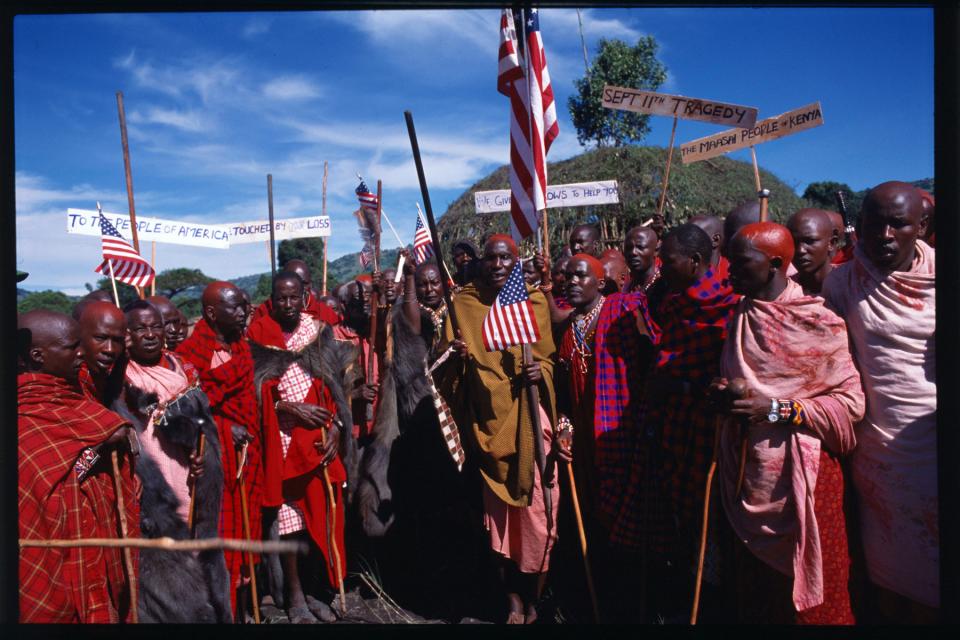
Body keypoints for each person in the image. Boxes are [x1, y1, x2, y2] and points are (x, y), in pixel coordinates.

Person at [713, 222, 863, 624]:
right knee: (759, 597)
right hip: (748, 474)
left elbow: (848, 405)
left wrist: (777, 409)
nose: (729, 272)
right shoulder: (740, 316)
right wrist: (724, 394)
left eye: (740, 264)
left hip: (806, 483)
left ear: (776, 264)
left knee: (814, 601)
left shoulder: (819, 321)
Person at [437, 234, 570, 624]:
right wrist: (455, 357)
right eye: (490, 258)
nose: (497, 265)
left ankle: (535, 601)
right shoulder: (463, 304)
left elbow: (547, 360)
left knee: (542, 516)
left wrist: (538, 371)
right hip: (488, 425)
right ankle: (512, 600)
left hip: (530, 419)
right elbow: (444, 371)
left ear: (516, 262)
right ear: (480, 263)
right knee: (499, 526)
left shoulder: (533, 301)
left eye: (505, 258)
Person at [822, 181, 938, 622]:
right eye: (874, 225)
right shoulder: (843, 283)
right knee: (888, 575)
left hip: (932, 445)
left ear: (922, 227)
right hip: (877, 455)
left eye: (898, 224)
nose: (884, 236)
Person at [618, 223, 740, 619]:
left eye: (667, 261)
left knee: (709, 534)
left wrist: (678, 388)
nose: (660, 267)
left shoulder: (726, 310)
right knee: (681, 533)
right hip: (672, 433)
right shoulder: (673, 304)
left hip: (706, 439)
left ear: (696, 261)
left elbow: (723, 384)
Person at [18, 310, 138, 623]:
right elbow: (40, 477)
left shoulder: (71, 398)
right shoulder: (23, 419)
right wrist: (97, 447)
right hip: (50, 560)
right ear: (37, 356)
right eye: (73, 347)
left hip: (93, 552)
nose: (82, 353)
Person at [122, 300, 231, 623]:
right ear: (127, 335)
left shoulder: (183, 368)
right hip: (152, 481)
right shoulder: (121, 376)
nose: (151, 334)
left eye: (155, 326)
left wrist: (203, 455)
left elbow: (203, 424)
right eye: (140, 328)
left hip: (189, 475)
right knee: (165, 564)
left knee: (198, 548)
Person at [248, 272, 347, 624]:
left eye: (293, 297)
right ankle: (293, 596)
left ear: (304, 296)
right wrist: (287, 407)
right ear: (271, 299)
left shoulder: (318, 331)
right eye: (280, 298)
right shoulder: (258, 334)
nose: (287, 305)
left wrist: (336, 427)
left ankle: (316, 589)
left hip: (318, 440)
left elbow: (333, 386)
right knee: (287, 518)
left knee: (318, 513)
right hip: (279, 440)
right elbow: (254, 390)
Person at [176, 281, 263, 620]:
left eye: (244, 306)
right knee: (219, 537)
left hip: (246, 456)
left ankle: (242, 606)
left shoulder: (241, 346)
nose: (243, 313)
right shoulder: (190, 354)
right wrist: (226, 429)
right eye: (235, 307)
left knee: (245, 531)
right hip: (213, 460)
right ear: (211, 313)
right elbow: (189, 411)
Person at [252, 259, 339, 325]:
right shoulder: (265, 310)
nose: (300, 288)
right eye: (293, 284)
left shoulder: (324, 312)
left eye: (304, 283)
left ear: (311, 284)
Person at [77, 300, 127, 406]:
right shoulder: (72, 378)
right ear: (80, 335)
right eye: (100, 338)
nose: (110, 349)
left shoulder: (106, 373)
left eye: (117, 340)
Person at [786, 209, 839, 295]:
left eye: (809, 241)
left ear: (831, 243)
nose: (800, 250)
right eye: (793, 242)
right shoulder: (784, 292)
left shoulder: (851, 286)